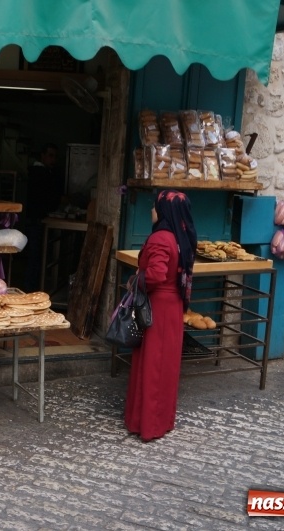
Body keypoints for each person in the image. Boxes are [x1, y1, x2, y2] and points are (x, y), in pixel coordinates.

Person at [124, 189, 197, 442]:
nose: (151, 211)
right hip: (173, 307)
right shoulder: (181, 236)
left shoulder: (160, 239)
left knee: (151, 364)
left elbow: (154, 274)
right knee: (165, 365)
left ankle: (147, 423)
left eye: (155, 206)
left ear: (164, 211)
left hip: (156, 307)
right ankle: (161, 420)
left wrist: (134, 280)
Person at [23, 143, 64, 292]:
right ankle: (30, 290)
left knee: (36, 256)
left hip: (37, 219)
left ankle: (32, 289)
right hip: (35, 219)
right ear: (43, 155)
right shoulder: (39, 173)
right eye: (50, 155)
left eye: (55, 156)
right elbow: (46, 198)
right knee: (34, 257)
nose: (53, 159)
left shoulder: (44, 172)